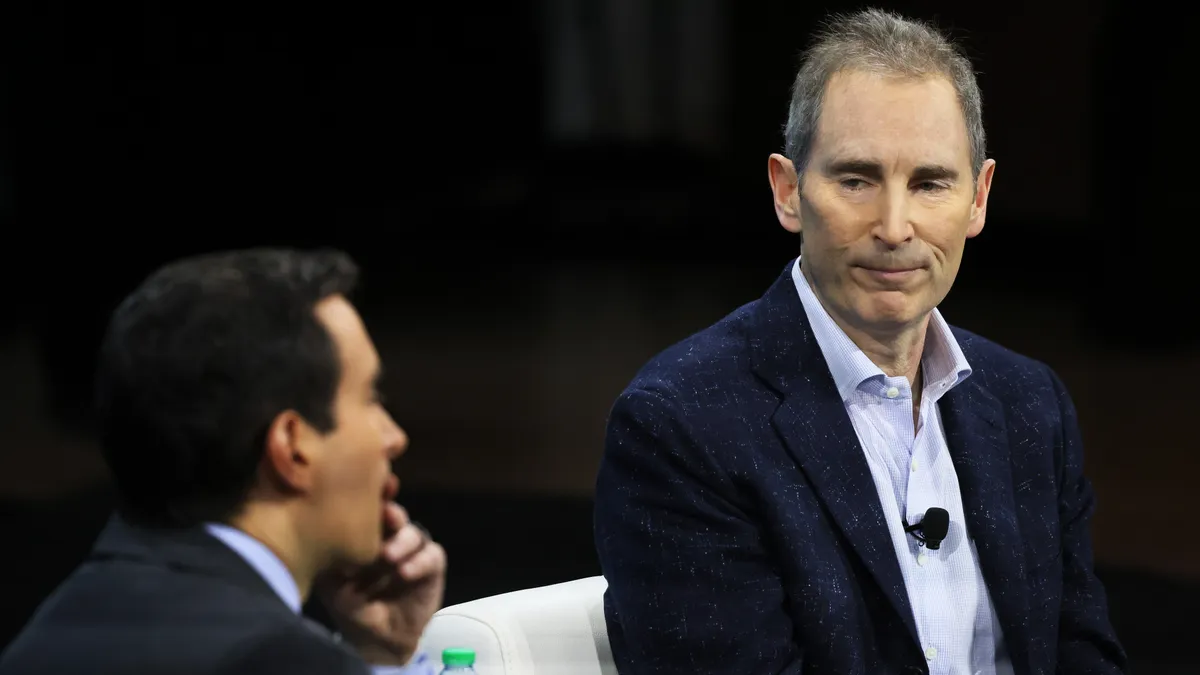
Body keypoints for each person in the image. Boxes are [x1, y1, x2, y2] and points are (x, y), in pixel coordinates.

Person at [594, 9, 1126, 675]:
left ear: (979, 198)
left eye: (930, 183)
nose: (895, 225)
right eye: (856, 179)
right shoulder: (681, 426)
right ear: (788, 192)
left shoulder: (1030, 404)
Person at [0, 248, 446, 674]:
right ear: (292, 447)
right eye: (370, 397)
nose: (394, 437)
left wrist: (378, 651)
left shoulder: (48, 634)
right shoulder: (279, 659)